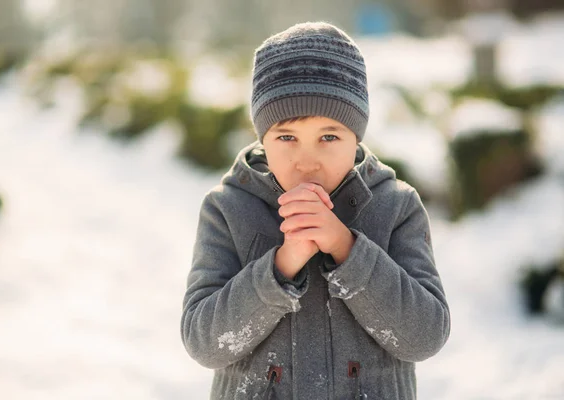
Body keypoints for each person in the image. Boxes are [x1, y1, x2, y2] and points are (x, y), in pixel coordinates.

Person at [181, 21, 450, 400]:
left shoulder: (395, 206)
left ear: (357, 137)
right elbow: (204, 343)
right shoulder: (227, 209)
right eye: (287, 137)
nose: (307, 162)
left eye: (329, 137)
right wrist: (280, 267)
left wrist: (347, 249)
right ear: (262, 138)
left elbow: (425, 337)